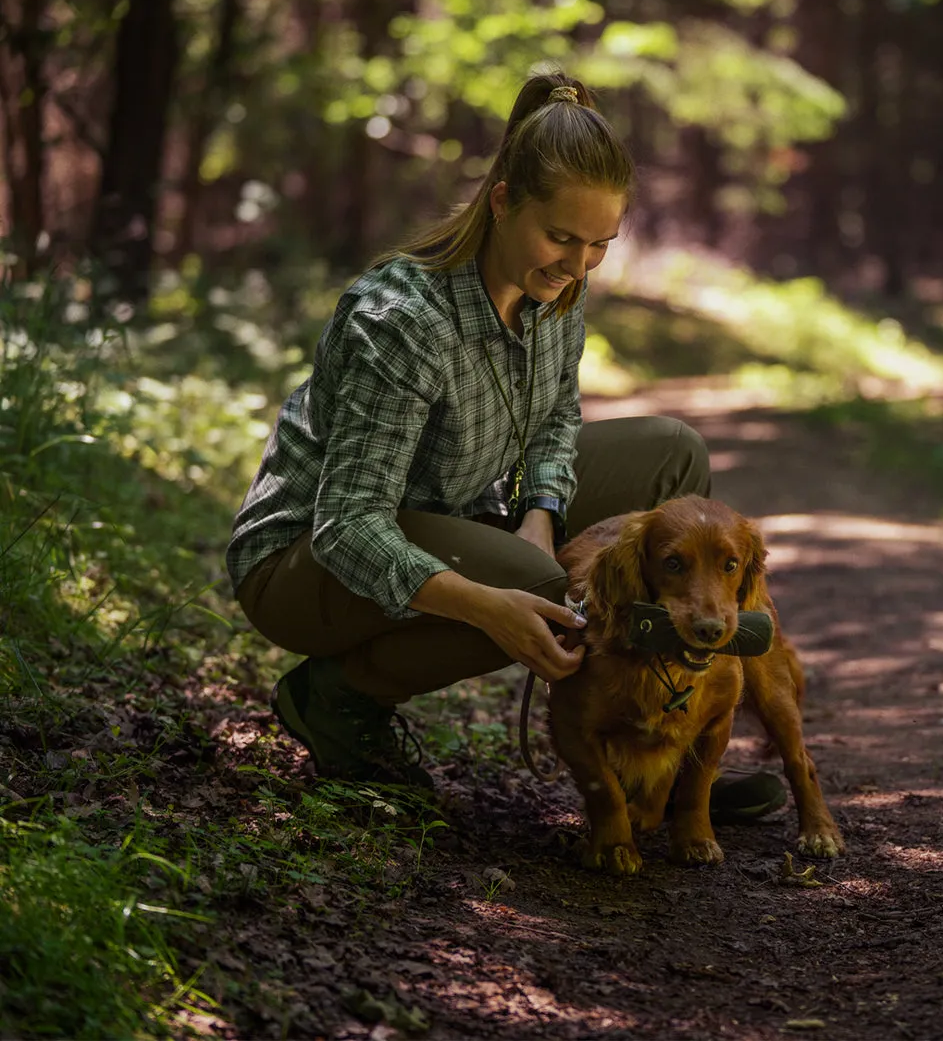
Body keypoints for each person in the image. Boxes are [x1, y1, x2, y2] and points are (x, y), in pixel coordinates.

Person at [226, 69, 785, 820]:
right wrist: (493, 606)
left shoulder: (558, 292)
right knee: (543, 590)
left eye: (600, 245)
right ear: (501, 202)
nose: (578, 264)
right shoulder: (401, 322)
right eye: (561, 237)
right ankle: (336, 700)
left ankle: (665, 746)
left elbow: (556, 418)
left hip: (455, 513)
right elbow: (348, 524)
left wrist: (542, 511)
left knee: (673, 456)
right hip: (306, 566)